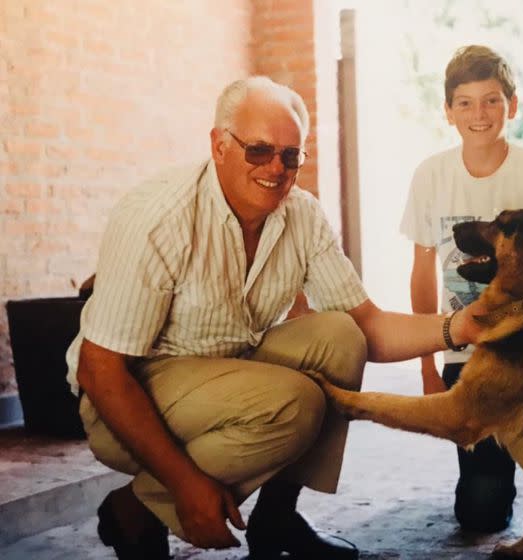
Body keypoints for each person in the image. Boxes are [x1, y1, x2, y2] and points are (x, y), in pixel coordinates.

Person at [65, 76, 488, 560]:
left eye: (292, 156)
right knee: (296, 404)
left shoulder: (301, 214)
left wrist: (458, 327)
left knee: (340, 336)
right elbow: (101, 371)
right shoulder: (159, 217)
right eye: (259, 150)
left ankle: (275, 521)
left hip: (227, 365)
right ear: (219, 145)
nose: (276, 169)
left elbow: (368, 327)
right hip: (128, 391)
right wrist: (183, 485)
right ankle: (138, 510)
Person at [400, 45, 523, 533]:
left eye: (491, 100)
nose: (479, 114)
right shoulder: (430, 176)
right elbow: (422, 268)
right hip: (468, 352)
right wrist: (427, 360)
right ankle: (497, 478)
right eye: (464, 102)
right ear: (447, 112)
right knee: (481, 514)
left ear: (513, 105)